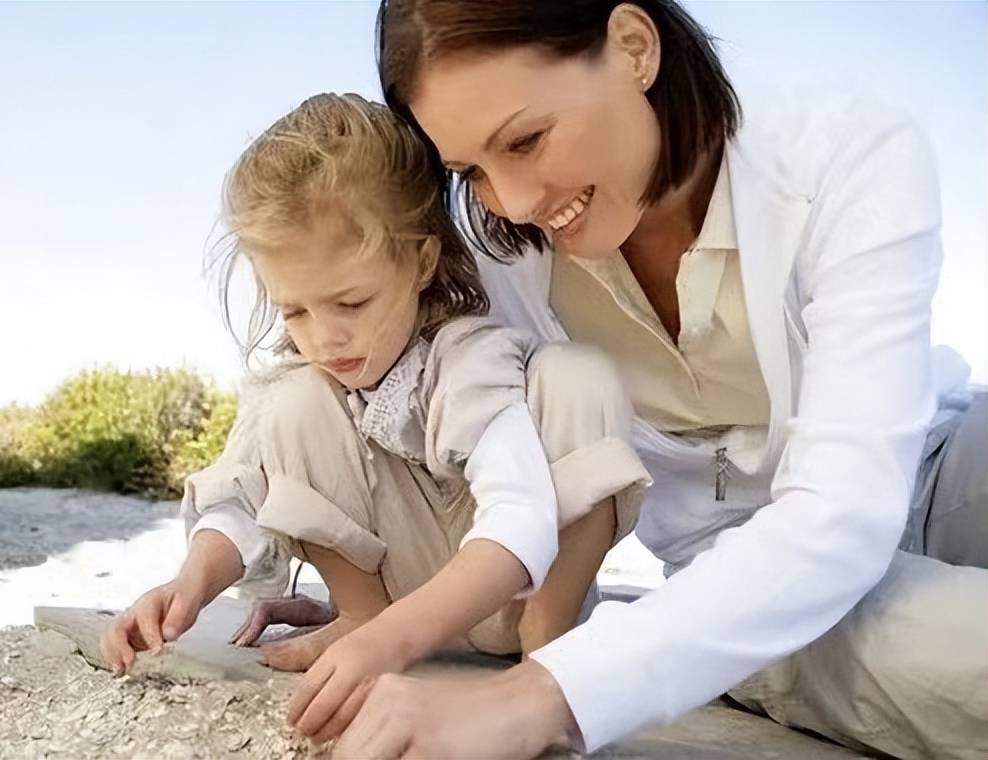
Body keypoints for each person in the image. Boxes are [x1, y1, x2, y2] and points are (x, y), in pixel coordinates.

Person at [327, 2, 988, 759]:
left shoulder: (846, 154)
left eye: (526, 139)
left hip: (941, 463)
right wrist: (355, 584)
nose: (511, 202)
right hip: (743, 567)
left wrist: (539, 697)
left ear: (635, 47)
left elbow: (847, 502)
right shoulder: (502, 263)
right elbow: (379, 374)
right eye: (470, 171)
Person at [99, 93, 650, 742]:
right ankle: (358, 615)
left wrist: (396, 639)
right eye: (295, 312)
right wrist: (190, 585)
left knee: (576, 379)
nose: (325, 338)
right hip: (395, 607)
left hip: (516, 598)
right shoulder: (312, 379)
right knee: (290, 400)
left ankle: (546, 659)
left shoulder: (469, 354)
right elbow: (241, 493)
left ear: (419, 262)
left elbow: (521, 521)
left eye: (351, 302)